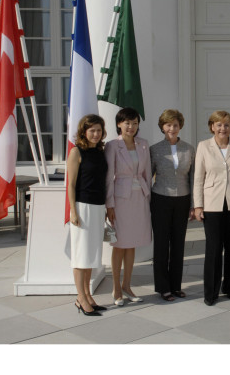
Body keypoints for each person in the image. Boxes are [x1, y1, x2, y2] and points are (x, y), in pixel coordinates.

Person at [194, 110, 230, 306]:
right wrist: (198, 205)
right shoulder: (203, 146)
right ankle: (210, 292)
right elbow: (198, 179)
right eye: (218, 124)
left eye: (226, 125)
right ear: (212, 126)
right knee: (213, 249)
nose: (222, 128)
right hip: (212, 204)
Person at [105, 107, 152, 306]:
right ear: (119, 124)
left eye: (134, 123)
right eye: (127, 123)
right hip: (120, 198)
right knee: (119, 244)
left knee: (132, 243)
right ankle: (116, 288)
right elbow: (108, 178)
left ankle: (127, 285)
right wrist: (110, 204)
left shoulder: (143, 144)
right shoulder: (112, 146)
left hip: (139, 197)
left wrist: (148, 197)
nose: (131, 127)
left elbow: (147, 174)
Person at [150, 109, 195, 302]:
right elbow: (147, 176)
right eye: (168, 125)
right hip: (160, 198)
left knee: (178, 244)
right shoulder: (154, 149)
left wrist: (194, 205)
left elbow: (193, 178)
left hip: (183, 200)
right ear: (162, 127)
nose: (172, 128)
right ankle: (163, 287)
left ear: (180, 126)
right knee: (161, 244)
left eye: (175, 125)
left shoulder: (189, 149)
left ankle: (176, 286)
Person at [67, 114, 108, 316]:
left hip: (98, 207)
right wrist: (73, 211)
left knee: (91, 254)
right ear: (84, 131)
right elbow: (71, 185)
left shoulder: (100, 152)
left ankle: (88, 295)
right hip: (82, 207)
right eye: (92, 130)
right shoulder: (76, 152)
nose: (95, 134)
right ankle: (80, 298)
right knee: (80, 256)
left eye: (99, 130)